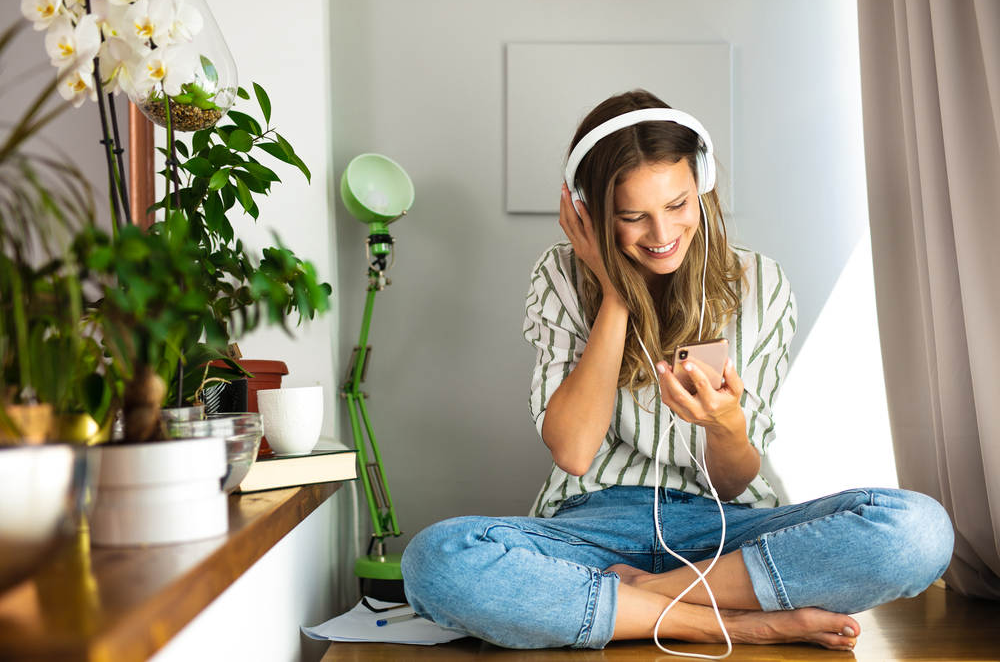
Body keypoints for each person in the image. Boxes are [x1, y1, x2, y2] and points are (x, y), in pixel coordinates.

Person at [400, 89, 954, 652]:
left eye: (677, 205)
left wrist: (724, 424)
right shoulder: (563, 275)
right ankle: (726, 623)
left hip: (727, 531)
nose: (662, 236)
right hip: (592, 527)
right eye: (632, 217)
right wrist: (616, 292)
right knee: (437, 560)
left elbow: (734, 480)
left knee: (918, 530)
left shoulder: (760, 284)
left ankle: (647, 598)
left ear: (704, 185)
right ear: (591, 213)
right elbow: (572, 450)